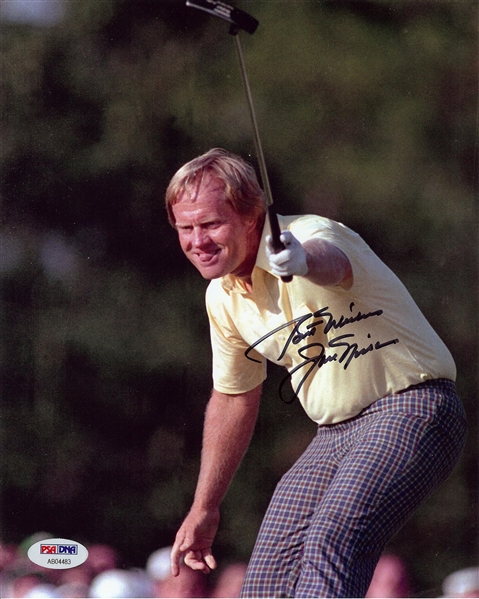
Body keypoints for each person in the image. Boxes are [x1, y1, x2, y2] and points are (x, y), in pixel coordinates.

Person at [166, 148, 467, 598]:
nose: (198, 241)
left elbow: (334, 260)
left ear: (252, 216)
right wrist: (205, 507)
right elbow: (234, 398)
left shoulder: (307, 234)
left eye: (210, 224)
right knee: (267, 577)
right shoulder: (221, 297)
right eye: (185, 229)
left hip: (413, 406)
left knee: (332, 535)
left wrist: (302, 260)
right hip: (333, 435)